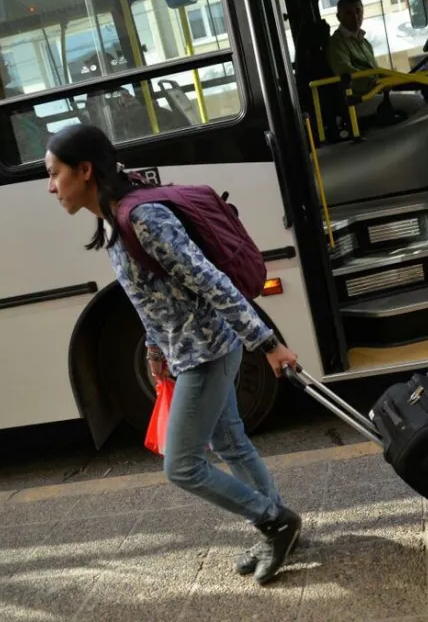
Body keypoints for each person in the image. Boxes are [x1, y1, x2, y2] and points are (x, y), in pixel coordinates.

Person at [44, 123, 302, 585]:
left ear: (84, 171)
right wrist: (153, 348)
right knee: (230, 443)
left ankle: (274, 521)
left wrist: (267, 343)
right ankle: (277, 523)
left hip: (206, 352)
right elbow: (149, 297)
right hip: (191, 351)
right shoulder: (112, 218)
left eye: (54, 173)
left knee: (182, 465)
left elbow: (210, 281)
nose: (51, 187)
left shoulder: (142, 219)